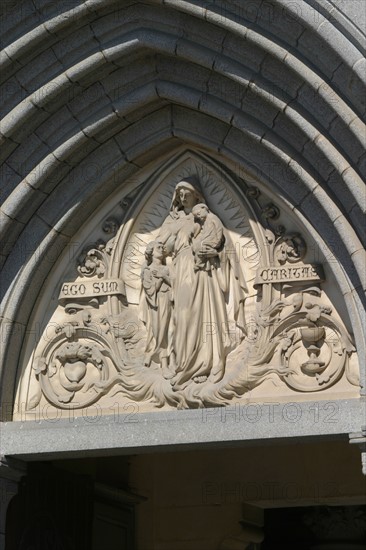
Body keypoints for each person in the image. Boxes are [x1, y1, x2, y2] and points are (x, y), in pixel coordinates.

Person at [157, 178, 247, 389]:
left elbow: (222, 245)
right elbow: (162, 247)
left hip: (203, 270)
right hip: (181, 268)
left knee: (202, 311)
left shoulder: (209, 219)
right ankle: (182, 363)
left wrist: (212, 252)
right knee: (182, 314)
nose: (182, 196)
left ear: (196, 194)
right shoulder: (172, 220)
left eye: (186, 192)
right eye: (179, 193)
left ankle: (204, 362)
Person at [140, 241, 175, 379]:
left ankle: (166, 363)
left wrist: (163, 277)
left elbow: (175, 283)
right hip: (156, 303)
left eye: (162, 247)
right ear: (151, 251)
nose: (162, 249)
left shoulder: (167, 269)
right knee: (158, 331)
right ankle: (153, 354)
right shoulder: (148, 270)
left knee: (169, 331)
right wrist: (160, 280)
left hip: (167, 301)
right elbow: (150, 290)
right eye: (158, 247)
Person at [191, 203, 225, 272]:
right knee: (197, 246)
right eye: (197, 216)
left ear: (204, 208)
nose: (198, 216)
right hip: (207, 239)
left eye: (198, 213)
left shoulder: (212, 217)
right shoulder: (205, 221)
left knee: (202, 245)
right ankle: (203, 264)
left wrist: (218, 240)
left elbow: (218, 228)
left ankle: (200, 263)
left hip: (213, 240)